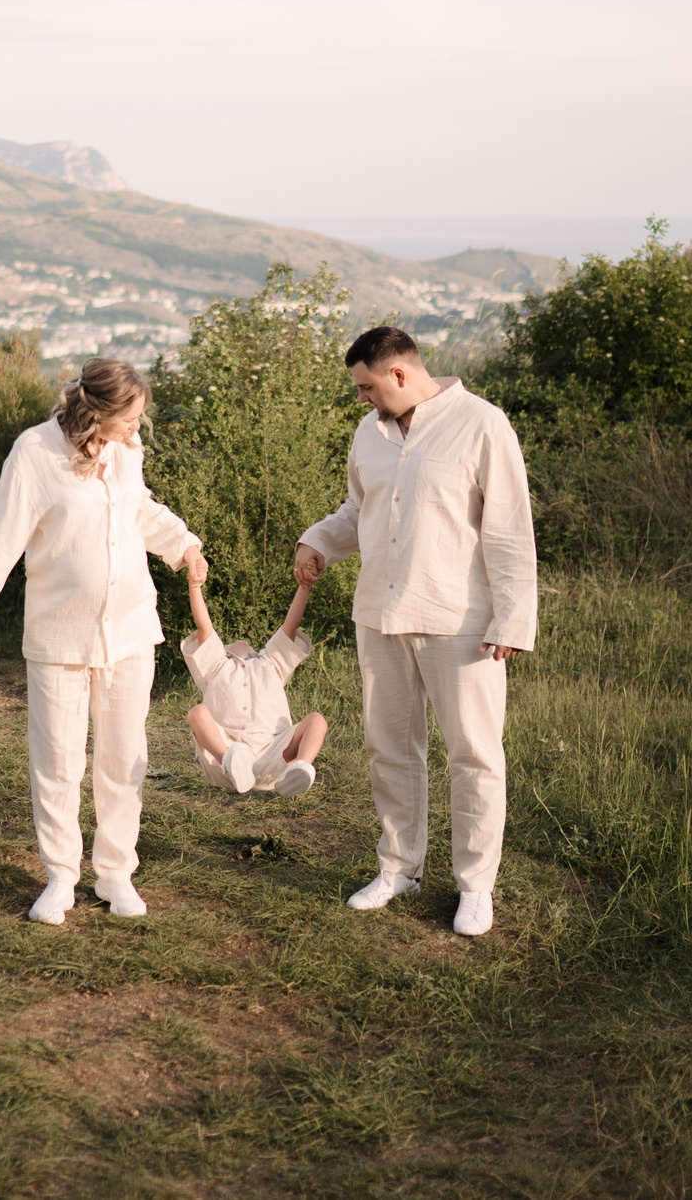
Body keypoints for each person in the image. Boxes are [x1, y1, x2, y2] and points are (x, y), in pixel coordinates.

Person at [0, 357, 205, 925]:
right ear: (96, 412)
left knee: (124, 756)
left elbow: (138, 510)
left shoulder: (126, 451)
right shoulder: (34, 453)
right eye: (130, 419)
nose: (138, 429)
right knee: (58, 760)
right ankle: (60, 877)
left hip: (130, 628)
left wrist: (183, 545)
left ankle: (115, 875)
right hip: (59, 634)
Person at [294, 325, 537, 937]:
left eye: (366, 387)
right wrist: (318, 540)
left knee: (475, 755)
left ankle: (475, 887)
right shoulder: (368, 434)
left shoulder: (483, 424)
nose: (362, 399)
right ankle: (400, 868)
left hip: (462, 621)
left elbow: (509, 530)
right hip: (379, 613)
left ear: (399, 374)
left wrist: (512, 617)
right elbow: (360, 510)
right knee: (390, 749)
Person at [178, 574, 329, 796]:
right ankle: (230, 760)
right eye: (229, 643)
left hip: (275, 753)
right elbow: (203, 627)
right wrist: (194, 585)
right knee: (197, 713)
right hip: (229, 749)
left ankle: (301, 768)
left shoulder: (271, 663)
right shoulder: (217, 665)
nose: (239, 641)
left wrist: (304, 587)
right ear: (224, 650)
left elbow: (291, 625)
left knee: (317, 720)